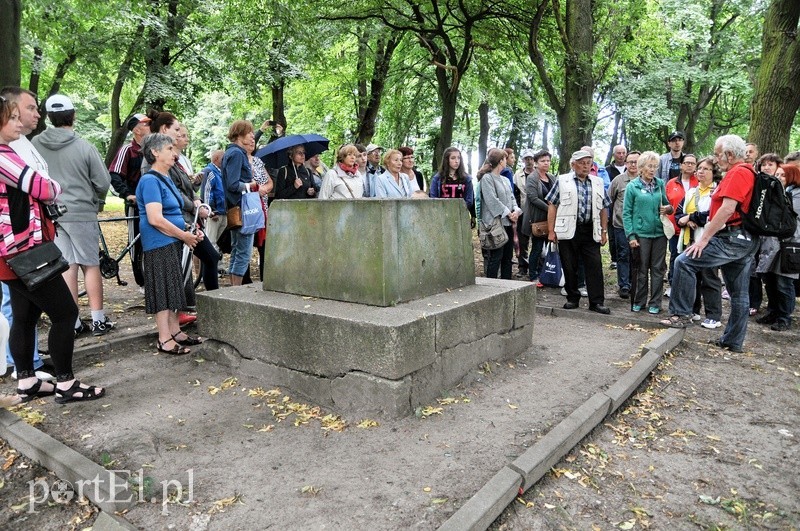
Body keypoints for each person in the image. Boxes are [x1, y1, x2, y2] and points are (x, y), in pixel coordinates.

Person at [0, 96, 105, 403]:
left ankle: (28, 382)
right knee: (65, 312)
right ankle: (66, 383)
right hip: (24, 250)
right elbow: (45, 187)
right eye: (13, 118)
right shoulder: (3, 156)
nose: (20, 123)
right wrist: (53, 186)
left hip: (13, 253)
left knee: (25, 316)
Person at [660, 135, 759, 354]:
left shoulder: (738, 172)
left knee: (684, 262)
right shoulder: (747, 171)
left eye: (717, 154)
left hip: (732, 238)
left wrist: (704, 240)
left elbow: (727, 209)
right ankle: (733, 341)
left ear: (730, 155)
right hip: (744, 239)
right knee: (739, 293)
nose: (716, 159)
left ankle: (680, 315)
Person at [31, 95, 114, 336]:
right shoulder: (84, 146)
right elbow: (103, 181)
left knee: (68, 265)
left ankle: (73, 321)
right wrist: (94, 197)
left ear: (47, 117)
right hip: (80, 212)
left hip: (52, 212)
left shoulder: (35, 144)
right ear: (73, 115)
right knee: (91, 264)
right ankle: (98, 320)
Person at [0, 87, 53, 379]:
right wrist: (50, 189)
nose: (33, 116)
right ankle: (23, 366)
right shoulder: (7, 149)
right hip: (16, 243)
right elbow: (44, 187)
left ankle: (28, 367)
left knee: (24, 308)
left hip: (26, 238)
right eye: (27, 109)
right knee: (18, 305)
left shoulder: (19, 144)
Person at [136, 133, 204, 355]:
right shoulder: (150, 180)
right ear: (155, 152)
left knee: (174, 289)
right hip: (159, 243)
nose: (175, 154)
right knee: (163, 292)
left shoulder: (165, 178)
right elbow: (155, 219)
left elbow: (175, 212)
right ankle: (164, 339)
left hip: (173, 240)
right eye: (169, 149)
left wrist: (189, 230)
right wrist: (183, 235)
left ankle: (175, 332)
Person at [145, 114, 219, 303]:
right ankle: (188, 309)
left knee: (205, 259)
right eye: (176, 130)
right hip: (177, 224)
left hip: (186, 222)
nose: (179, 135)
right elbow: (168, 197)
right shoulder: (154, 169)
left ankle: (195, 306)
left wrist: (195, 198)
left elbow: (182, 187)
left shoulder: (175, 161)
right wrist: (192, 210)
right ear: (164, 129)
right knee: (181, 268)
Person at [546, 150, 611, 314]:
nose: (585, 166)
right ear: (573, 164)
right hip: (568, 229)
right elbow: (552, 205)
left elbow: (604, 208)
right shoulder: (562, 180)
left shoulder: (598, 182)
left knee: (595, 266)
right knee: (569, 265)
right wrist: (551, 231)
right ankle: (572, 298)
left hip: (590, 229)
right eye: (582, 163)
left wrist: (604, 231)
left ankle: (596, 302)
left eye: (588, 162)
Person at [675, 156, 723, 329]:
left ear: (714, 172)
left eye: (706, 169)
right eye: (699, 168)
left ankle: (713, 315)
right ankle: (693, 310)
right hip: (690, 240)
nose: (701, 171)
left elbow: (712, 215)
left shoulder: (717, 191)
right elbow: (678, 213)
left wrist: (692, 217)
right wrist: (686, 220)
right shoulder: (692, 192)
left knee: (709, 277)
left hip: (709, 240)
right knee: (692, 276)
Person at [622, 151, 673, 314]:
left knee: (658, 269)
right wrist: (631, 235)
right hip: (641, 235)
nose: (653, 169)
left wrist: (669, 208)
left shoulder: (659, 184)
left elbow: (666, 205)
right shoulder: (632, 186)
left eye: (655, 166)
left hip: (659, 234)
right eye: (649, 166)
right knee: (641, 269)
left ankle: (655, 303)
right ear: (641, 167)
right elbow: (626, 213)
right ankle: (639, 300)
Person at [753, 165, 800, 331]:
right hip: (772, 243)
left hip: (790, 244)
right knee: (770, 280)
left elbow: (790, 218)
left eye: (783, 175)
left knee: (784, 282)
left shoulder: (796, 195)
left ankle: (784, 316)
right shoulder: (778, 192)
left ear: (792, 176)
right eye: (777, 174)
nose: (778, 177)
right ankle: (773, 311)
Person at [108, 113, 151, 289]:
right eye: (146, 123)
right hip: (136, 205)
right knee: (136, 242)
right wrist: (127, 195)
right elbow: (114, 175)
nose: (150, 126)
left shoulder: (152, 150)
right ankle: (141, 282)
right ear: (137, 130)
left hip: (153, 203)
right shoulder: (127, 150)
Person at [222, 120, 268, 286]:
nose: (251, 136)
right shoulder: (236, 154)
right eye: (249, 132)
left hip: (237, 208)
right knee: (243, 252)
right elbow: (233, 184)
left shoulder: (231, 152)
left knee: (237, 250)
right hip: (243, 208)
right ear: (240, 135)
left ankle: (234, 289)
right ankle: (236, 290)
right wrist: (251, 185)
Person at [478, 148, 520, 279]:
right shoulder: (487, 179)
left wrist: (516, 211)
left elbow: (512, 198)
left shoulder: (506, 180)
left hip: (508, 224)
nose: (506, 161)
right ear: (501, 161)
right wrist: (508, 213)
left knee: (508, 257)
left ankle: (507, 286)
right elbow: (492, 201)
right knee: (496, 257)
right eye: (505, 158)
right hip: (495, 225)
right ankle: (491, 286)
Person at [663, 153, 698, 294]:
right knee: (674, 256)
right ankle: (673, 284)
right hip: (675, 227)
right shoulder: (672, 183)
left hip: (694, 227)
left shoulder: (699, 182)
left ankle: (690, 287)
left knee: (691, 257)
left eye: (692, 163)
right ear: (681, 165)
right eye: (687, 162)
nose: (689, 165)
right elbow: (667, 204)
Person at [607, 150, 639, 299]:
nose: (633, 164)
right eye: (630, 161)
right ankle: (624, 285)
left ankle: (635, 283)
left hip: (640, 226)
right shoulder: (618, 180)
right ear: (626, 163)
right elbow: (609, 200)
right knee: (623, 255)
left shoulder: (646, 180)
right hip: (620, 225)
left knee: (637, 256)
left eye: (636, 162)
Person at [520, 149, 554, 283]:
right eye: (542, 161)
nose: (546, 163)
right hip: (537, 218)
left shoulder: (551, 177)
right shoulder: (532, 178)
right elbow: (533, 198)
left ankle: (546, 273)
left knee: (549, 248)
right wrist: (550, 209)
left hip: (551, 219)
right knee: (537, 248)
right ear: (536, 162)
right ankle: (533, 274)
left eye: (548, 161)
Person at [429, 146, 475, 222]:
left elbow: (469, 200)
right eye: (453, 158)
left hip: (460, 216)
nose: (457, 161)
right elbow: (433, 199)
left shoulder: (466, 179)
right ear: (447, 160)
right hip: (442, 217)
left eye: (458, 158)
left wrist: (459, 210)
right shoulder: (437, 178)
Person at [513, 149, 536, 278]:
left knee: (537, 241)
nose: (529, 161)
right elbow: (514, 193)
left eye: (531, 159)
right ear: (523, 160)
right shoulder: (518, 175)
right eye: (527, 159)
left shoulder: (539, 174)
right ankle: (522, 267)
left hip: (536, 213)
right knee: (522, 242)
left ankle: (537, 266)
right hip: (522, 212)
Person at [200, 150, 226, 253]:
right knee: (212, 241)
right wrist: (211, 211)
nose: (225, 161)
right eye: (223, 159)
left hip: (223, 212)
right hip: (214, 213)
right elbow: (207, 192)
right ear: (216, 159)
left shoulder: (221, 172)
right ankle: (212, 268)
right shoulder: (209, 171)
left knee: (220, 242)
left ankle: (219, 266)